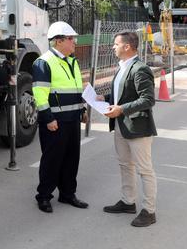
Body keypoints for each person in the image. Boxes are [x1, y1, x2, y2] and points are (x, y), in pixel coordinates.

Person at [100, 30, 158, 227]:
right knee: (125, 165)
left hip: (137, 128)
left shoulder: (140, 68)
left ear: (127, 47)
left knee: (145, 170)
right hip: (121, 125)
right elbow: (123, 95)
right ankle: (127, 202)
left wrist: (121, 109)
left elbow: (148, 100)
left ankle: (149, 211)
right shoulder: (122, 67)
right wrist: (104, 99)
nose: (113, 47)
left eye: (116, 44)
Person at [32, 21, 89, 213]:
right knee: (52, 160)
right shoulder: (44, 62)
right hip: (55, 121)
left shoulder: (72, 60)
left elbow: (76, 89)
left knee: (72, 158)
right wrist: (48, 119)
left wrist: (82, 110)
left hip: (72, 119)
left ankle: (67, 194)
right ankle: (44, 196)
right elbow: (40, 94)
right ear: (58, 41)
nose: (75, 42)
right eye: (71, 38)